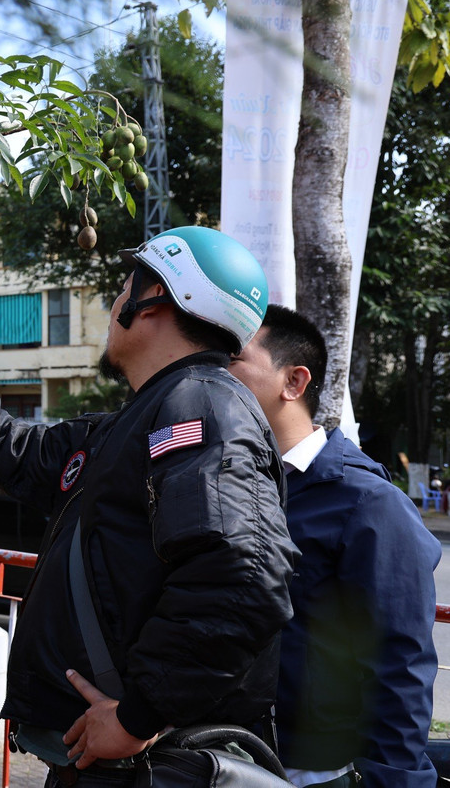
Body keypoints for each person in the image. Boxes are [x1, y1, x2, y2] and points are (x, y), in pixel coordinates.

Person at [0, 226, 297, 785]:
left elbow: (243, 576)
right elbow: (13, 451)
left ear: (156, 299)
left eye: (124, 287)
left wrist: (139, 716)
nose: (114, 304)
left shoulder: (201, 406)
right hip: (107, 756)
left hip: (145, 759)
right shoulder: (139, 419)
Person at [229, 305, 440, 788]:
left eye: (233, 361)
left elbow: (400, 665)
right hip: (224, 753)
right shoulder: (228, 486)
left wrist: (396, 780)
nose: (213, 377)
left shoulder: (366, 502)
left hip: (314, 772)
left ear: (294, 382)